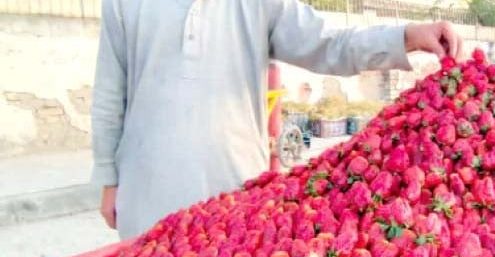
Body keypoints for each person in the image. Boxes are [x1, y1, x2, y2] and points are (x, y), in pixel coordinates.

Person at [92, 0, 464, 239]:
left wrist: (406, 36)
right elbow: (110, 93)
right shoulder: (123, 4)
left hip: (232, 195)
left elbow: (329, 44)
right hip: (146, 194)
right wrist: (109, 179)